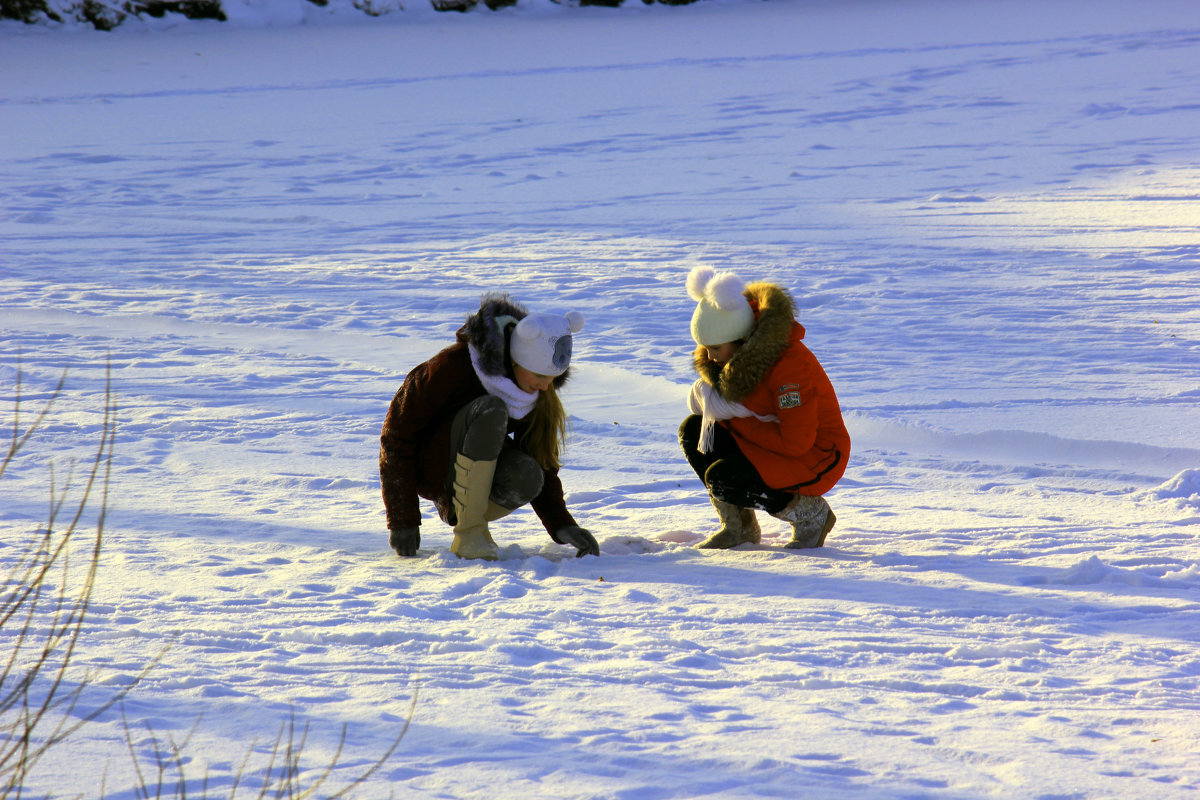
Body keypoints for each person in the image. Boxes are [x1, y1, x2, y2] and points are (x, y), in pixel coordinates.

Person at [380, 293, 599, 561]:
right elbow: (396, 437)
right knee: (491, 409)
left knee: (529, 475)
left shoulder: (535, 392)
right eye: (540, 376)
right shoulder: (452, 367)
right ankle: (469, 536)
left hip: (476, 481)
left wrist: (562, 525)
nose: (545, 386)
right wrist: (403, 519)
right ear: (516, 361)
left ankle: (472, 524)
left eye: (552, 378)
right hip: (434, 468)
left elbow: (542, 459)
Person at [679, 266, 850, 550]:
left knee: (724, 477)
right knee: (695, 431)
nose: (709, 357)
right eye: (705, 348)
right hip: (777, 442)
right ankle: (739, 528)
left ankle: (811, 516)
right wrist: (728, 416)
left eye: (716, 348)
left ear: (740, 340)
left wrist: (735, 420)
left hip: (817, 455)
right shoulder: (733, 360)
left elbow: (796, 442)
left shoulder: (789, 366)